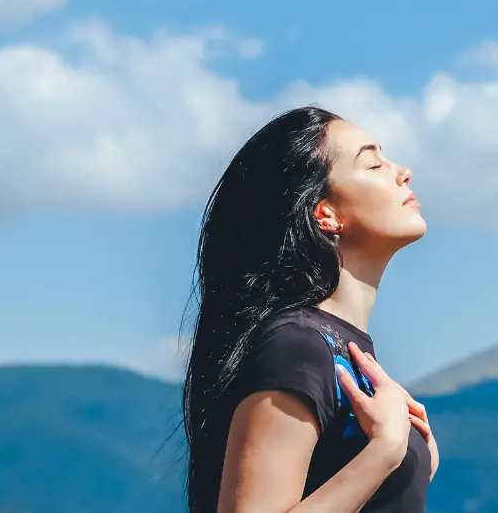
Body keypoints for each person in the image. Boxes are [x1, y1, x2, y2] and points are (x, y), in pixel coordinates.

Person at [181, 106, 438, 513]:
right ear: (326, 214)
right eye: (374, 164)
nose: (403, 172)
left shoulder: (338, 348)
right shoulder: (297, 347)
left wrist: (413, 466)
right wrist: (385, 453)